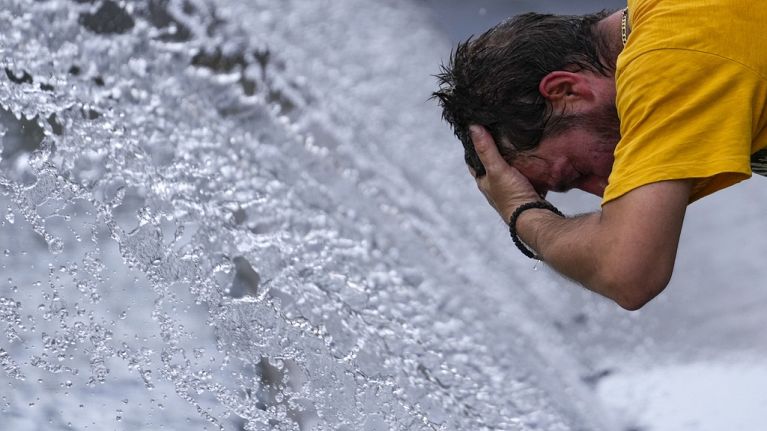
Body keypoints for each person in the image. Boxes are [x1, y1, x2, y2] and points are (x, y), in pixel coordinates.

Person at [433, 1, 767, 310]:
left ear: (566, 91)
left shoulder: (668, 60)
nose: (606, 190)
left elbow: (628, 271)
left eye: (577, 172)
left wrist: (522, 212)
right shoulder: (675, 20)